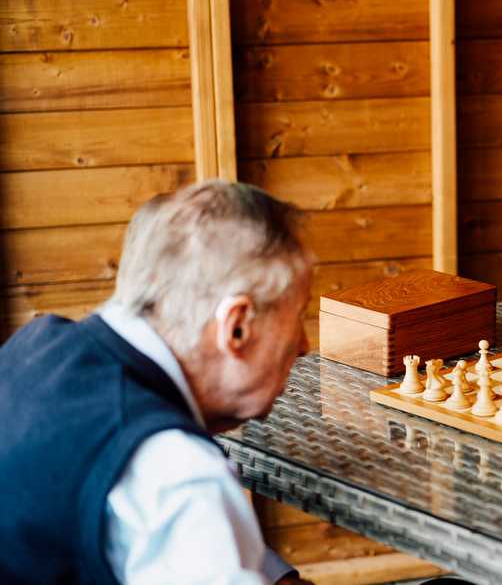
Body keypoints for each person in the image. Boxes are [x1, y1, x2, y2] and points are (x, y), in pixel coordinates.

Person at [0, 180, 314, 584]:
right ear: (236, 328)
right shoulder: (174, 469)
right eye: (299, 313)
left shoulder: (39, 344)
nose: (305, 345)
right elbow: (176, 496)